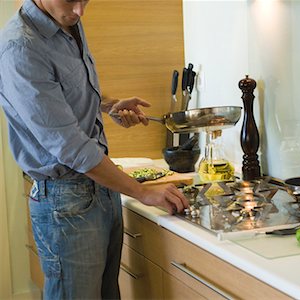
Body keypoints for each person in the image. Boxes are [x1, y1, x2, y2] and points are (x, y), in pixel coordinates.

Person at [0, 0, 189, 299]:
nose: (80, 11)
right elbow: (70, 146)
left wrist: (108, 105)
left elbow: (69, 92)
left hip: (100, 188)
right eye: (71, 1)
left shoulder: (68, 21)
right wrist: (142, 192)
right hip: (66, 202)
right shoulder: (20, 48)